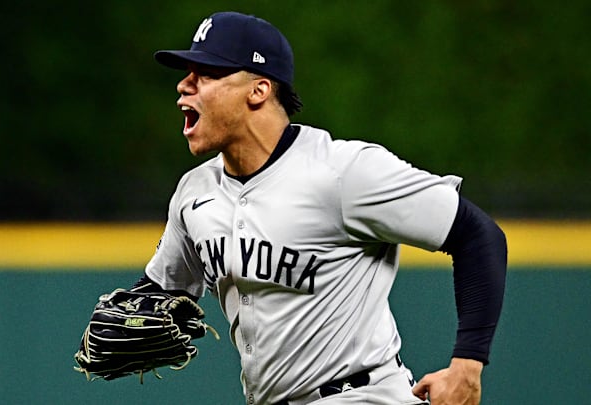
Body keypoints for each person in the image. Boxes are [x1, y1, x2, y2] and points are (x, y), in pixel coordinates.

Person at [132, 11, 507, 405]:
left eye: (205, 74)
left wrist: (467, 365)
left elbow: (478, 235)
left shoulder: (343, 172)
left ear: (258, 90)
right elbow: (161, 290)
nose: (183, 85)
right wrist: (134, 311)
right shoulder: (194, 193)